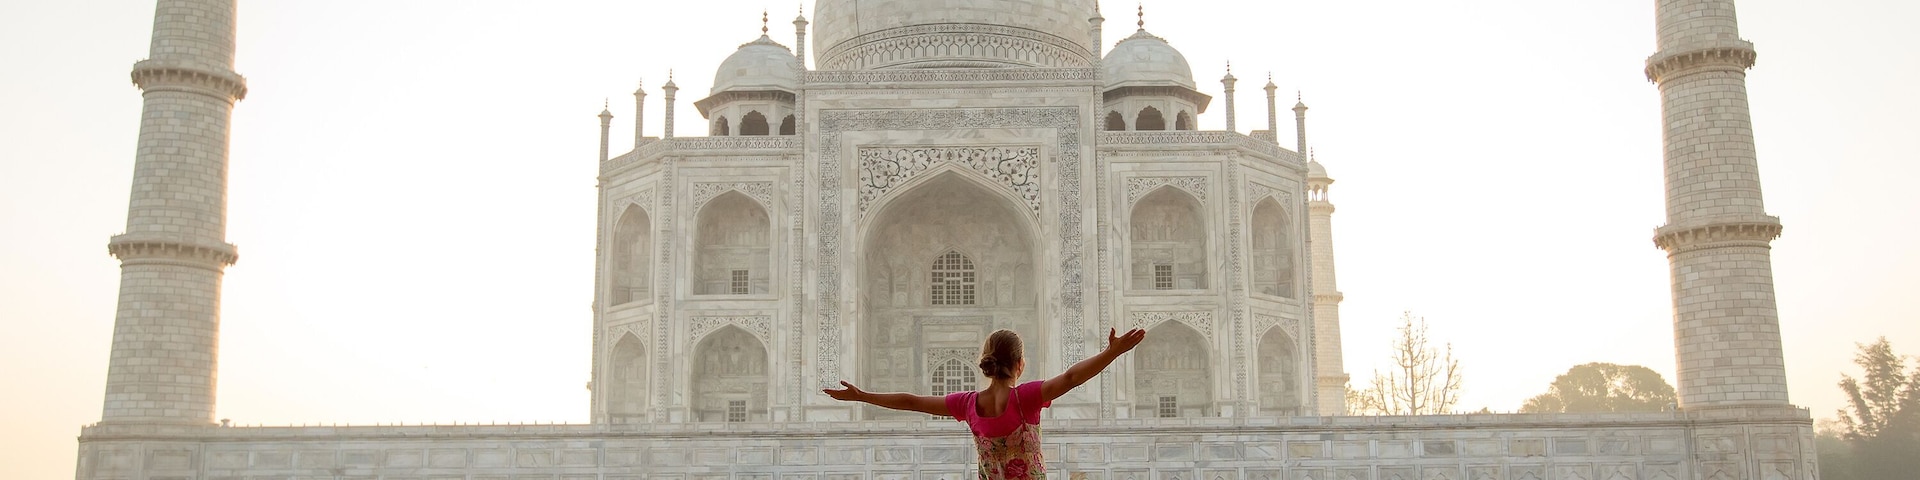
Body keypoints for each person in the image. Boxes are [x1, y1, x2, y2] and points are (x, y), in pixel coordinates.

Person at [823, 327, 1148, 480]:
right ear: (1019, 364)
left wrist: (861, 395)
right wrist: (1112, 352)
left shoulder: (967, 404)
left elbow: (911, 401)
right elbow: (1071, 378)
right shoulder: (1027, 398)